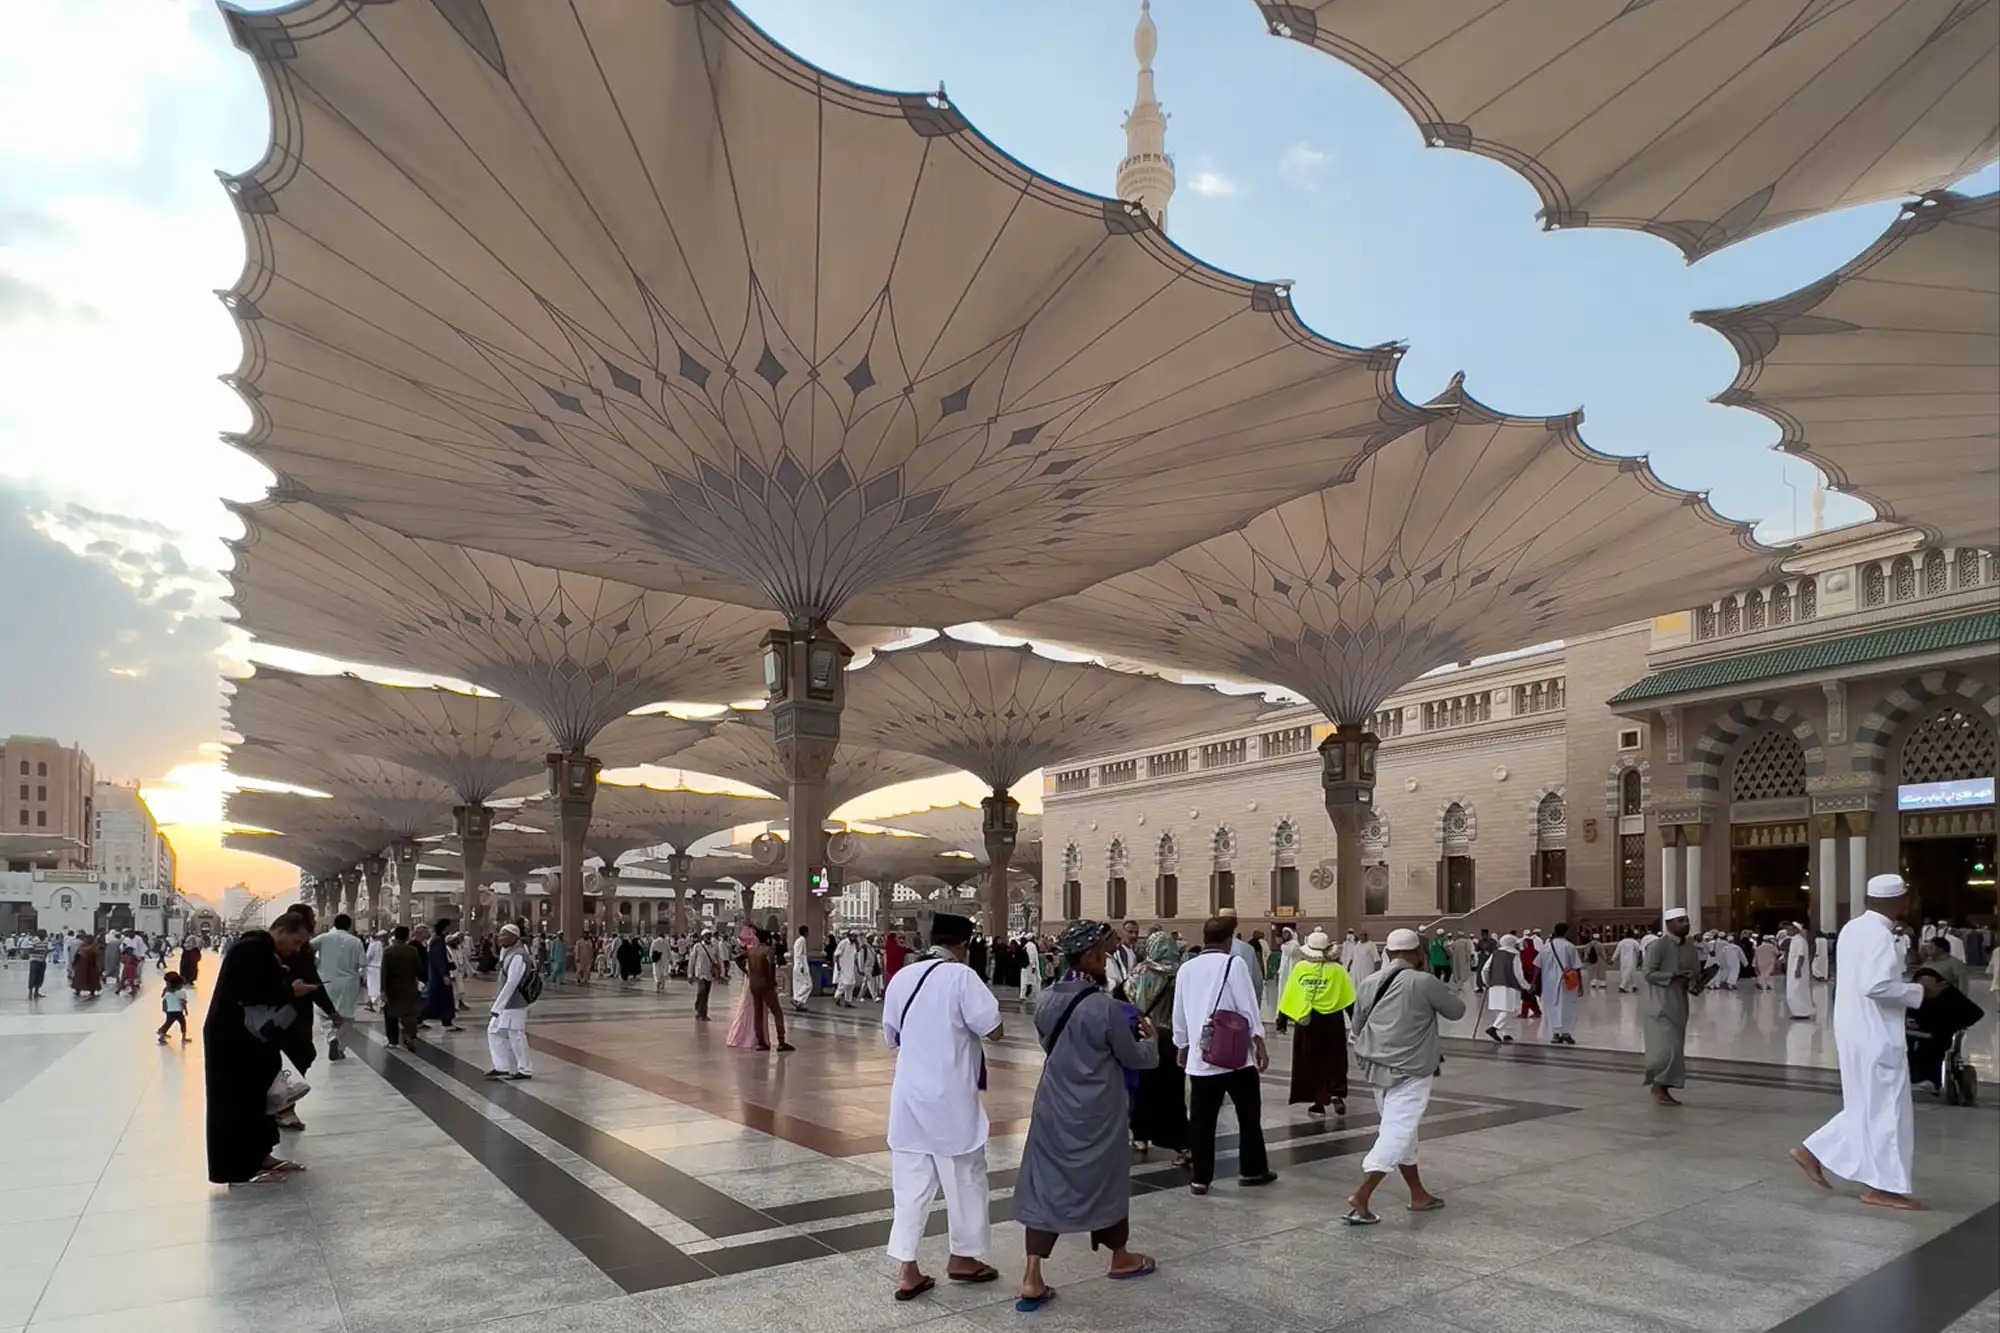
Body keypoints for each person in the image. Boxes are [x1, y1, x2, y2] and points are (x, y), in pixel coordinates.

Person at [1012, 920, 1161, 1312]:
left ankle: (1032, 1274)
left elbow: (1050, 1044)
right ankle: (1120, 1256)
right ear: (1091, 956)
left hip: (1053, 1106)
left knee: (1047, 1183)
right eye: (1103, 952)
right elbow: (1132, 1057)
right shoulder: (1104, 1007)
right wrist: (1153, 1043)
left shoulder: (1045, 1000)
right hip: (1098, 1111)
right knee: (1106, 1180)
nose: (1107, 957)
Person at [881, 912, 1003, 1301]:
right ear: (962, 945)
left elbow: (891, 1035)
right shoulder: (961, 977)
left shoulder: (903, 977)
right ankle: (963, 1259)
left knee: (910, 1186)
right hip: (950, 1098)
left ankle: (908, 1270)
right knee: (965, 1178)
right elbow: (994, 1029)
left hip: (909, 1097)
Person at [1792, 875, 1929, 1210]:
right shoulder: (1881, 936)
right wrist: (1919, 993)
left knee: (1867, 1105)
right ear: (1900, 901)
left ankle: (1812, 1151)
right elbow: (1876, 985)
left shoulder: (1853, 928)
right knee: (1887, 1110)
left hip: (1855, 1030)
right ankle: (1881, 1187)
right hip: (1876, 1034)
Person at [1345, 927, 1466, 1224]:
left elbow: (1357, 1026)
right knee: (1397, 1132)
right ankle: (1362, 1193)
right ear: (1418, 954)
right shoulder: (1424, 981)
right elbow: (1458, 1010)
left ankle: (1418, 1194)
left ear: (1387, 953)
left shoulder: (1369, 982)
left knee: (1402, 1130)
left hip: (1376, 1069)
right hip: (1412, 1070)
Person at [204, 914, 316, 1184]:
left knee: (256, 1096)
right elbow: (254, 993)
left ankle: (260, 1156)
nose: (296, 948)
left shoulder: (259, 948)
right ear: (282, 930)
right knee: (237, 1101)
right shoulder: (252, 948)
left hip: (248, 1036)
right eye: (296, 940)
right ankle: (239, 1168)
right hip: (233, 1038)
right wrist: (292, 990)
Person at [1174, 915, 1276, 1196]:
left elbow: (1179, 1012)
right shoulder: (1235, 963)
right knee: (1248, 1115)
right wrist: (1259, 1042)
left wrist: (1182, 1045)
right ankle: (1253, 1169)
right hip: (1235, 1058)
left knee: (1201, 1121)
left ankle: (1200, 1179)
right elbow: (1247, 1006)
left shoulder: (1187, 968)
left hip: (1201, 1057)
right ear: (1229, 938)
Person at [1125, 931, 1189, 1164]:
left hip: (1146, 1036)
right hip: (1172, 1039)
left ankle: (1140, 1135)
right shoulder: (1181, 972)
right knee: (1171, 1094)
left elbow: (1128, 999)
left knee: (1143, 1089)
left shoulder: (1140, 973)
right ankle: (1179, 1141)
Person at [1279, 929, 1355, 1117]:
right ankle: (1336, 1092)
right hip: (1333, 1021)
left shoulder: (1301, 969)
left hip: (1308, 1022)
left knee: (1311, 1060)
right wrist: (1356, 1022)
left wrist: (1282, 1019)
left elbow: (1289, 994)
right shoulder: (1338, 970)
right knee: (1335, 1057)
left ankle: (1318, 1102)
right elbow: (1349, 998)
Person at [1641, 908, 1704, 1105]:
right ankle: (1657, 1087)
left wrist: (1697, 982)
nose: (1686, 923)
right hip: (1658, 1005)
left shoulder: (1690, 948)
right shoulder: (1658, 946)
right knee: (1664, 1050)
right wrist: (1674, 975)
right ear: (1669, 925)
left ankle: (1663, 1088)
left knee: (1676, 1050)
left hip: (1679, 1006)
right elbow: (1648, 974)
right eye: (1680, 921)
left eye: (1686, 920)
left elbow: (1694, 977)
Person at [310, 913, 366, 1062]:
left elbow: (306, 949)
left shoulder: (323, 938)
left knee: (323, 1012)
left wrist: (316, 963)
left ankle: (331, 1036)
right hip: (349, 982)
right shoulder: (356, 941)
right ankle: (340, 1047)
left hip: (326, 980)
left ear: (334, 924)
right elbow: (363, 963)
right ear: (349, 926)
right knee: (347, 1016)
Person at [486, 923, 536, 1080]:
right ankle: (501, 1066)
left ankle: (525, 1069)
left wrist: (497, 1006)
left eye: (504, 935)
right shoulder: (508, 953)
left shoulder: (519, 955)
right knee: (494, 1031)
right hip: (507, 1004)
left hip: (516, 1003)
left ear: (514, 937)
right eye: (500, 934)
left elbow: (512, 983)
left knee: (516, 1034)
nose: (500, 938)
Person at [742, 929, 794, 1052]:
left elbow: (737, 959)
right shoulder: (768, 951)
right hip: (766, 985)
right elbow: (771, 967)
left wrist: (748, 972)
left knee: (758, 1013)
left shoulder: (750, 951)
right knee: (777, 1012)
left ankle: (761, 1042)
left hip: (754, 984)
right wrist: (771, 982)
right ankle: (781, 1041)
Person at [379, 925, 425, 1052]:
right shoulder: (413, 950)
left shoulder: (388, 951)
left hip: (392, 988)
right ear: (407, 936)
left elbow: (385, 972)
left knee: (391, 1015)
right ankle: (410, 1035)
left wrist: (383, 990)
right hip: (409, 986)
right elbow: (419, 969)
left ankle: (393, 1041)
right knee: (409, 1013)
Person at [1539, 923, 1583, 1045]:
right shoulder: (1570, 947)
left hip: (1548, 983)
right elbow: (1576, 967)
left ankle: (1555, 1034)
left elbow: (1537, 966)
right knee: (1567, 1007)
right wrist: (1580, 984)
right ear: (1566, 932)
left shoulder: (1546, 947)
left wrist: (1534, 983)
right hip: (1567, 982)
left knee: (1551, 1007)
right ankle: (1566, 1033)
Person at [1481, 934, 1527, 1043]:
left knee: (1500, 1009)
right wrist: (1526, 986)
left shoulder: (1495, 953)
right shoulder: (1515, 955)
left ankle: (1505, 1034)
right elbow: (1518, 973)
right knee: (1510, 1010)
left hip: (1494, 985)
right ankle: (1494, 1028)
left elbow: (1485, 969)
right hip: (1509, 985)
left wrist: (1487, 982)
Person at [689, 928, 723, 1021]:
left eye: (709, 935)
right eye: (706, 935)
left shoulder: (714, 946)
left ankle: (703, 1014)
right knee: (702, 991)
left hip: (710, 974)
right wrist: (690, 974)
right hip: (700, 973)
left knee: (706, 994)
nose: (708, 937)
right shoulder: (698, 946)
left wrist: (721, 972)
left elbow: (719, 959)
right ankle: (698, 1009)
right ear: (703, 937)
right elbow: (692, 960)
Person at [1785, 923, 1816, 1020]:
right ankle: (1797, 1012)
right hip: (1792, 969)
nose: (1787, 932)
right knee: (1792, 991)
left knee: (1797, 990)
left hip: (1797, 970)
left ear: (1796, 930)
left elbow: (1801, 956)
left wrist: (1798, 969)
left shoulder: (1800, 941)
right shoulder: (1794, 941)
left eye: (1790, 930)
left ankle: (1803, 1012)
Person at [157, 970, 193, 1044]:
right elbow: (183, 1002)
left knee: (168, 1023)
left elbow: (163, 999)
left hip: (169, 1010)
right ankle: (183, 1038)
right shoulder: (181, 992)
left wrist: (164, 1008)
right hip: (178, 1011)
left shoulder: (167, 991)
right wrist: (185, 1009)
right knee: (182, 1023)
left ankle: (161, 1032)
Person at [834, 931, 862, 1008]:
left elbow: (858, 951)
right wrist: (838, 966)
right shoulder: (843, 943)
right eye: (853, 936)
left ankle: (848, 1001)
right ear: (849, 936)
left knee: (851, 984)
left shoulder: (854, 944)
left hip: (850, 966)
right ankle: (837, 996)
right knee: (844, 983)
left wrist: (857, 943)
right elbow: (836, 954)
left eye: (856, 936)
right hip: (843, 966)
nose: (855, 938)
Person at [791, 924, 815, 1012]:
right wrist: (801, 966)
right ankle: (798, 999)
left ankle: (800, 1004)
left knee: (799, 985)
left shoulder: (798, 940)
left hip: (797, 965)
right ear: (805, 932)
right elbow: (799, 954)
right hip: (801, 965)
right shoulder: (802, 940)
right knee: (808, 984)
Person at [362, 930, 385, 1010]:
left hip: (372, 968)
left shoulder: (373, 945)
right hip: (381, 968)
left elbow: (368, 957)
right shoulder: (384, 945)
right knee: (378, 987)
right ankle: (379, 1004)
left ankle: (375, 1005)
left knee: (373, 987)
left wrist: (363, 967)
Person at [24, 930, 48, 999]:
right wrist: (39, 951)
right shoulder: (34, 940)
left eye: (45, 934)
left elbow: (46, 948)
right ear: (39, 934)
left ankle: (36, 992)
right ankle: (30, 993)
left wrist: (45, 954)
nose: (44, 935)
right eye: (43, 934)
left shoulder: (46, 940)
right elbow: (29, 950)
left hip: (42, 961)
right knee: (33, 977)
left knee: (40, 977)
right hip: (34, 961)